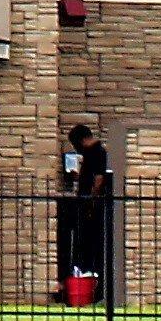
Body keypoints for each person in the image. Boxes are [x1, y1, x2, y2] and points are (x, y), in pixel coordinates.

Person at [55, 120, 116, 300]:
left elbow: (99, 178)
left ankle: (94, 289)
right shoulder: (93, 154)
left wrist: (91, 201)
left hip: (93, 208)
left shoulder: (96, 152)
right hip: (89, 205)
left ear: (80, 141)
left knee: (91, 247)